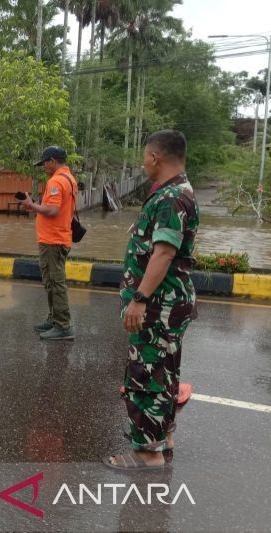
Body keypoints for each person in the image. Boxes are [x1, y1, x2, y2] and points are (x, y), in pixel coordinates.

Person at [104, 129, 199, 470]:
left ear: (155, 157)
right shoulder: (177, 193)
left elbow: (163, 253)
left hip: (159, 306)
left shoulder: (171, 198)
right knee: (165, 372)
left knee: (146, 375)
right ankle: (164, 437)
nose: (143, 163)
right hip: (168, 304)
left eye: (145, 156)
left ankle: (147, 453)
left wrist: (140, 299)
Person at [18, 146, 78, 341]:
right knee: (51, 282)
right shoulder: (68, 178)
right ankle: (54, 319)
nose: (43, 166)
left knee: (55, 283)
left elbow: (52, 211)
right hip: (57, 237)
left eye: (44, 162)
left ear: (52, 161)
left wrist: (31, 205)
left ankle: (63, 325)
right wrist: (36, 205)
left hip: (53, 240)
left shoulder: (56, 181)